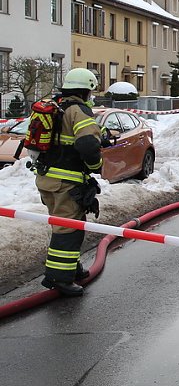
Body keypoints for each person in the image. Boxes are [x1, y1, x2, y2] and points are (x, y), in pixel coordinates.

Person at [36, 68, 103, 297]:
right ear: (85, 91)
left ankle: (72, 269)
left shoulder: (56, 107)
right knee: (68, 229)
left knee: (69, 223)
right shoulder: (78, 111)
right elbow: (88, 145)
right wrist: (96, 166)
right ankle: (59, 278)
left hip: (46, 180)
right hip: (66, 181)